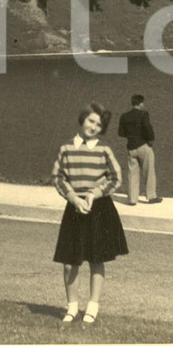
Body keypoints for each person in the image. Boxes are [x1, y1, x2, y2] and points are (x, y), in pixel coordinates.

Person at [50, 102, 128, 325]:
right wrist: (73, 197)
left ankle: (92, 307)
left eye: (99, 124)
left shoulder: (104, 150)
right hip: (74, 208)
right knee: (69, 261)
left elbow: (116, 178)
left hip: (99, 209)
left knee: (96, 259)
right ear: (83, 119)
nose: (94, 127)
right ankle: (72, 307)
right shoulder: (66, 148)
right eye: (91, 121)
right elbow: (57, 177)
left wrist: (94, 193)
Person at [118, 93, 161, 205]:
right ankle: (151, 196)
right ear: (141, 103)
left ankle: (132, 199)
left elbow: (121, 133)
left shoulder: (124, 116)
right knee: (149, 171)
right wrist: (151, 140)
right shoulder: (143, 114)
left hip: (131, 147)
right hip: (143, 145)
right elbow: (148, 127)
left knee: (132, 173)